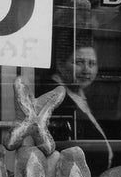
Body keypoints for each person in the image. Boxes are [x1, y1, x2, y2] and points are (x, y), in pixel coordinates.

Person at [41, 29, 113, 166]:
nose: (86, 70)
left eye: (92, 64)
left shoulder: (83, 94)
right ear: (61, 65)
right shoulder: (54, 98)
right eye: (79, 62)